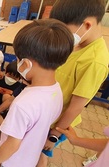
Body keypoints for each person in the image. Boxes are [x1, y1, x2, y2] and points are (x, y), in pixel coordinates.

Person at [0, 19, 74, 167]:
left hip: (12, 162)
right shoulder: (56, 90)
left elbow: (13, 144)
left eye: (18, 59)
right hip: (30, 158)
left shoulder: (23, 104)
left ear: (26, 64)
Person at [37, 0, 109, 166]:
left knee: (41, 153)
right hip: (48, 112)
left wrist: (54, 135)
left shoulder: (95, 61)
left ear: (87, 25)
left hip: (57, 122)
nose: (61, 37)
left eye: (64, 31)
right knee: (37, 149)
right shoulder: (77, 43)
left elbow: (77, 106)